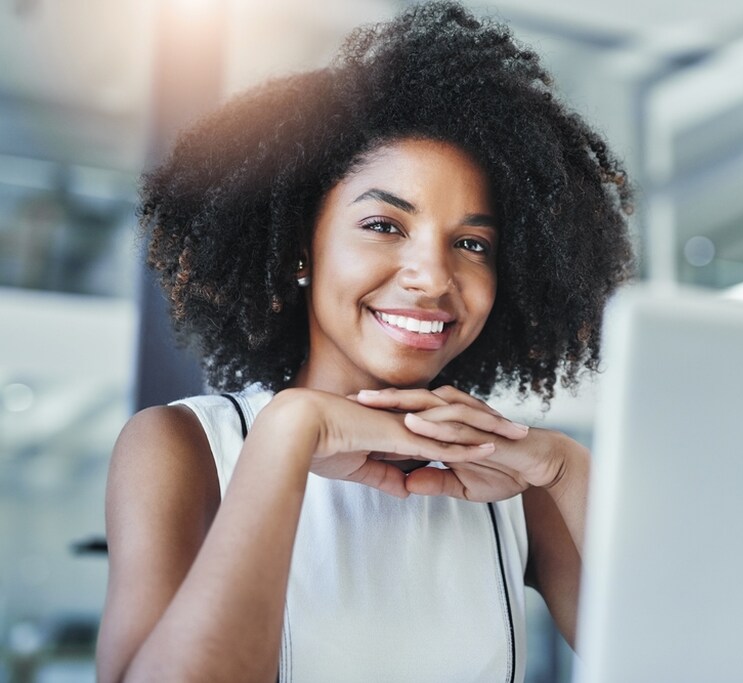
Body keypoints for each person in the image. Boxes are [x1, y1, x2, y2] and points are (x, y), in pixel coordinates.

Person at [96, 2, 633, 681]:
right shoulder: (184, 448)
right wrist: (290, 432)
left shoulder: (514, 484)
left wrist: (566, 469)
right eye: (384, 224)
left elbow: (693, 662)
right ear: (300, 246)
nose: (433, 277)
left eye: (472, 243)